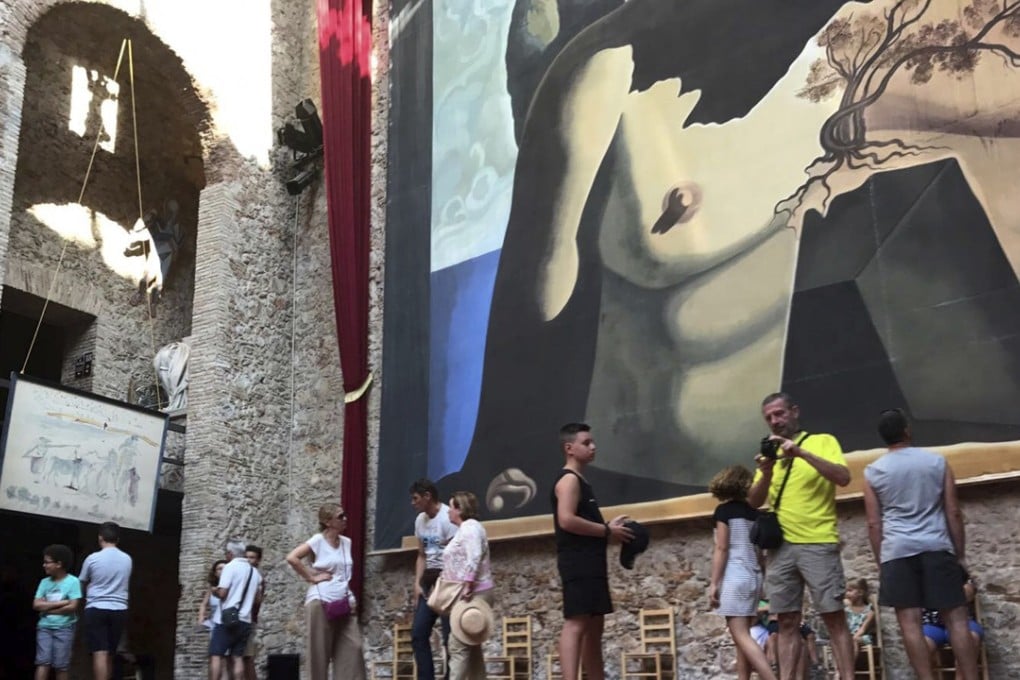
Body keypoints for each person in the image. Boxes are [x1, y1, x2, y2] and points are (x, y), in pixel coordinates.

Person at [862, 408, 978, 680]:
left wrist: (882, 560)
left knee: (910, 624)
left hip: (897, 552)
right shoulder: (937, 463)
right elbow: (953, 512)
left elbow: (873, 523)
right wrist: (959, 555)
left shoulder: (873, 471)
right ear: (907, 430)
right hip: (936, 546)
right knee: (957, 620)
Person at [749, 393, 854, 680]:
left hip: (817, 541)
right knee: (785, 621)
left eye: (780, 413)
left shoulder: (823, 441)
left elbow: (843, 477)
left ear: (795, 411)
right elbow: (753, 502)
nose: (775, 421)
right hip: (780, 549)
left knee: (833, 616)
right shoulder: (771, 457)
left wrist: (801, 453)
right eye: (769, 417)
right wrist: (766, 472)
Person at [553, 423, 633, 680]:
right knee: (576, 622)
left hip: (592, 561)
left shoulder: (581, 481)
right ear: (570, 448)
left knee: (594, 626)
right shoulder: (569, 480)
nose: (593, 446)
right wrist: (607, 530)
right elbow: (566, 520)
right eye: (586, 442)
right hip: (578, 562)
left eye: (592, 441)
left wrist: (609, 529)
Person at [708, 465, 776, 680]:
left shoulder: (724, 511)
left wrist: (714, 583)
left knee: (741, 635)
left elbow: (722, 547)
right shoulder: (755, 514)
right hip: (753, 575)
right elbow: (760, 554)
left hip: (735, 576)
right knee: (742, 638)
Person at [286, 504, 365, 680]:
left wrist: (350, 597)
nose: (345, 519)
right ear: (328, 522)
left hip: (343, 602)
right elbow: (292, 558)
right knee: (319, 654)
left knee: (354, 649)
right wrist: (311, 577)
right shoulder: (317, 540)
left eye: (344, 515)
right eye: (340, 516)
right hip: (320, 601)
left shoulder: (347, 542)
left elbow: (344, 574)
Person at [440, 491, 494, 680]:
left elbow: (474, 555)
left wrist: (468, 584)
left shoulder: (470, 527)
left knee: (457, 645)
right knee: (471, 645)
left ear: (460, 509)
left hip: (473, 593)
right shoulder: (467, 529)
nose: (448, 512)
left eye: (451, 507)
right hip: (472, 591)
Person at [409, 479, 458, 680]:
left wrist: (449, 585)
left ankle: (451, 676)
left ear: (427, 496)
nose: (413, 503)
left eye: (415, 498)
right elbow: (422, 554)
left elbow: (456, 555)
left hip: (446, 580)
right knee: (418, 633)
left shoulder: (447, 518)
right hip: (428, 581)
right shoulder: (420, 520)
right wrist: (417, 583)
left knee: (450, 638)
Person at [79, 521, 132, 680]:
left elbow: (81, 582)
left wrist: (82, 600)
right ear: (118, 539)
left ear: (100, 537)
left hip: (96, 607)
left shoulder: (92, 559)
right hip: (119, 609)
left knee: (99, 652)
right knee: (110, 652)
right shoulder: (127, 559)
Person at [211, 540, 263, 680]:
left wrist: (214, 591)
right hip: (245, 619)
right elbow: (258, 599)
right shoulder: (255, 572)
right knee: (238, 657)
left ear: (230, 554)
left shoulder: (230, 567)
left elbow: (223, 594)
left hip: (227, 618)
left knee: (217, 655)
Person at [33, 545, 81, 680]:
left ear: (59, 564)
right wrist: (61, 603)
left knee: (61, 665)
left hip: (65, 628)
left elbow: (73, 606)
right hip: (44, 628)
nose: (44, 565)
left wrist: (47, 608)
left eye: (47, 562)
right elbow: (36, 604)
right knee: (43, 663)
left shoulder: (73, 582)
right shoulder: (44, 582)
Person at [922, 573, 985, 671]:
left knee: (971, 637)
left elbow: (968, 594)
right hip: (932, 623)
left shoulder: (957, 571)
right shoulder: (920, 575)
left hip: (961, 621)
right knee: (921, 645)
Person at [197, 560, 228, 679]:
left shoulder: (229, 587)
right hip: (215, 625)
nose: (222, 571)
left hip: (226, 625)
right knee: (214, 658)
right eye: (219, 569)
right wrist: (201, 617)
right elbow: (204, 604)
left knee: (224, 660)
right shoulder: (212, 589)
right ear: (215, 572)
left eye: (224, 568)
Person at [243, 545, 265, 680]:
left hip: (248, 620)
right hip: (239, 619)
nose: (248, 560)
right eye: (246, 557)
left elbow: (257, 601)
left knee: (247, 658)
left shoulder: (257, 578)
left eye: (252, 558)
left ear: (258, 560)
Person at [844, 578, 875, 658]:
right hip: (848, 635)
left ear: (860, 592)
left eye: (850, 591)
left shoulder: (869, 611)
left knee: (854, 640)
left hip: (861, 636)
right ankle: (838, 668)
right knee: (839, 641)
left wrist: (854, 636)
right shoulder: (846, 609)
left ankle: (850, 666)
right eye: (846, 591)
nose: (847, 593)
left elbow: (863, 629)